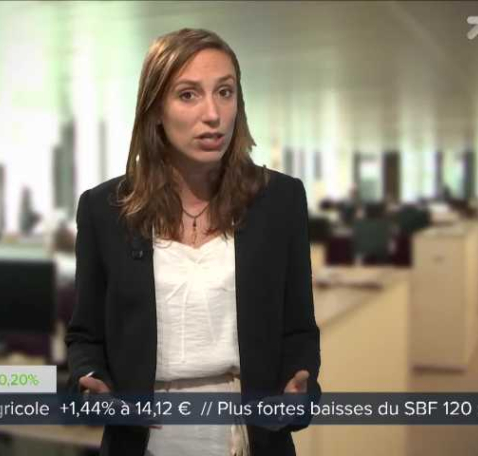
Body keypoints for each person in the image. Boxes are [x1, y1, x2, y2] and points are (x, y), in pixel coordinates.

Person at [65, 28, 320, 456]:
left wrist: (300, 388)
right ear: (155, 110)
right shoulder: (104, 210)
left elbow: (299, 331)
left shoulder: (280, 201)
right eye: (188, 95)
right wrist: (91, 382)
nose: (213, 114)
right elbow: (85, 336)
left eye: (225, 92)